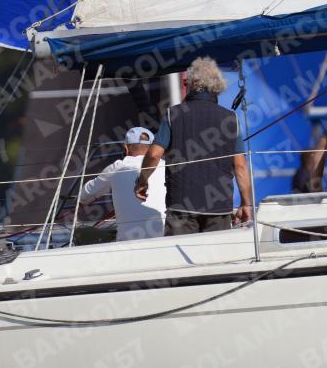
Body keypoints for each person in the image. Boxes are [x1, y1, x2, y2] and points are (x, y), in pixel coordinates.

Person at [135, 58, 253, 235]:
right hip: (219, 207)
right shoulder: (231, 118)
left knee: (180, 253)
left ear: (191, 84)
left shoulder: (173, 114)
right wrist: (246, 203)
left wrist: (142, 181)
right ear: (217, 87)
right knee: (217, 253)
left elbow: (154, 154)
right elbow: (240, 165)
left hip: (181, 207)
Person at [81, 127, 166, 241]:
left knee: (81, 232)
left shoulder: (116, 167)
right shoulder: (166, 166)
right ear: (152, 148)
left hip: (127, 241)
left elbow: (85, 195)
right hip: (165, 238)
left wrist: (81, 201)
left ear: (126, 148)